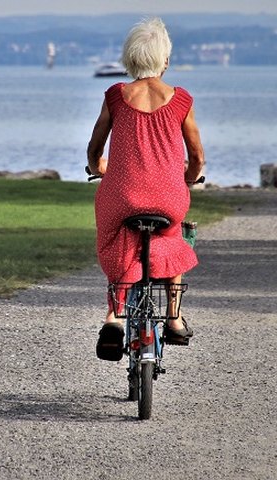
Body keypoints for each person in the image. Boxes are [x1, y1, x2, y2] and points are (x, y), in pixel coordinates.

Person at [86, 17, 205, 361]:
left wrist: (100, 169)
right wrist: (190, 177)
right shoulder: (181, 100)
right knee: (172, 237)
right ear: (164, 60)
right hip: (168, 197)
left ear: (129, 58)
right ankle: (174, 316)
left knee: (117, 235)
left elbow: (95, 151)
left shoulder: (116, 96)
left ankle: (114, 317)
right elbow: (196, 155)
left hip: (122, 195)